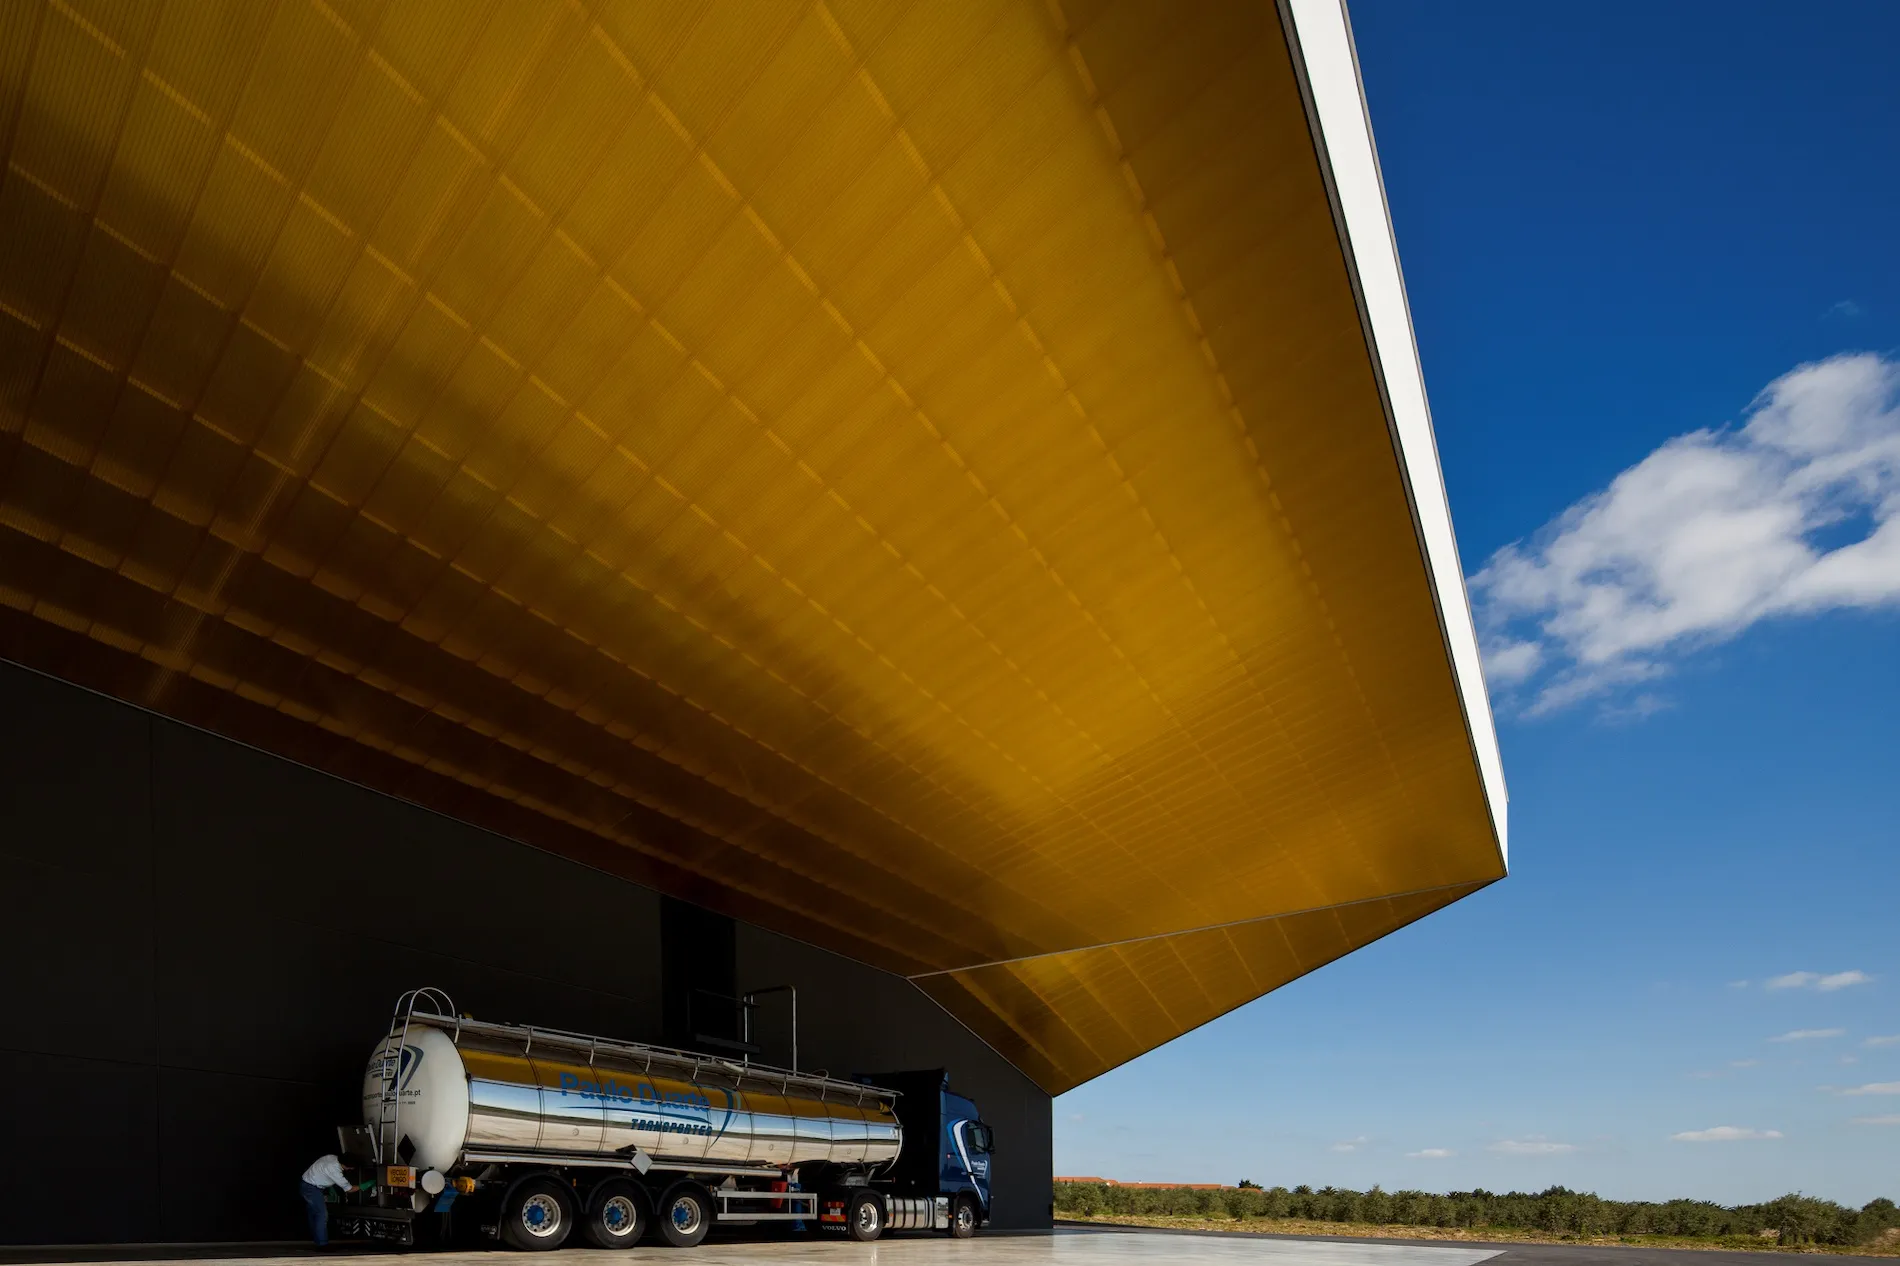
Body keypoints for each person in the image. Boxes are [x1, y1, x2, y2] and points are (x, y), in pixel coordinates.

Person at [299, 1154, 354, 1249]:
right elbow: (349, 1189)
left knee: (314, 1213)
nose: (350, 1169)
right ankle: (322, 1244)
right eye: (350, 1168)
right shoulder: (334, 1170)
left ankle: (317, 1240)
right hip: (311, 1188)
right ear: (345, 1165)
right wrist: (363, 1186)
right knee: (322, 1214)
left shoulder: (332, 1157)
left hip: (307, 1184)